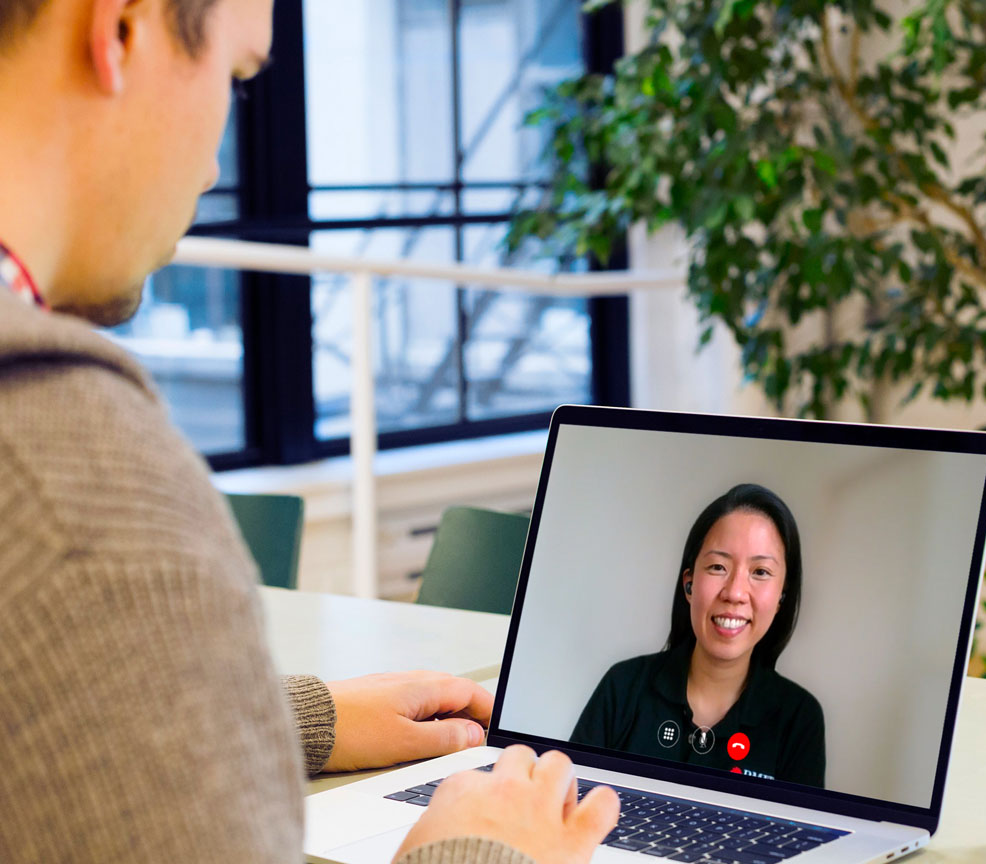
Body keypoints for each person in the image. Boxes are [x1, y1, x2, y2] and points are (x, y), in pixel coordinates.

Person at [0, 1, 618, 862]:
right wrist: (482, 850)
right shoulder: (77, 487)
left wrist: (282, 713)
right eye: (238, 77)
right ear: (123, 31)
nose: (218, 165)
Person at [571, 483, 826, 787]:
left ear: (782, 596)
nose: (734, 593)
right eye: (718, 566)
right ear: (689, 585)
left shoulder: (799, 718)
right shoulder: (623, 686)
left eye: (760, 572)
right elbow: (570, 805)